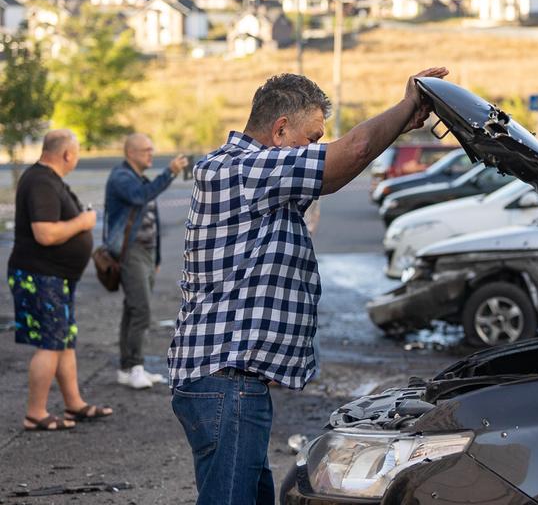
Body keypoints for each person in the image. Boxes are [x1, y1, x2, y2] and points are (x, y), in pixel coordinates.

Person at [168, 67, 448, 505]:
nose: (316, 148)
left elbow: (348, 160)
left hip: (229, 382)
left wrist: (396, 128)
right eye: (311, 137)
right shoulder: (241, 171)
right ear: (280, 129)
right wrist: (404, 106)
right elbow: (349, 154)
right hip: (226, 382)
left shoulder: (252, 175)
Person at [9, 130, 112, 430]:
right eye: (77, 152)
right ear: (68, 154)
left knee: (64, 340)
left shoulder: (47, 179)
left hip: (55, 275)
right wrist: (84, 221)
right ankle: (35, 413)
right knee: (51, 343)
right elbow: (45, 233)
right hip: (40, 275)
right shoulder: (41, 182)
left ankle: (74, 404)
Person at [104, 134, 188, 389]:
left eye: (152, 150)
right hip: (131, 253)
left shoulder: (137, 176)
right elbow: (142, 196)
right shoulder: (121, 178)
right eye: (146, 151)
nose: (151, 155)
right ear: (131, 153)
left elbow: (152, 220)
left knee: (133, 309)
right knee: (141, 310)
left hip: (147, 253)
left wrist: (158, 257)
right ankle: (135, 367)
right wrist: (169, 173)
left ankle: (127, 368)